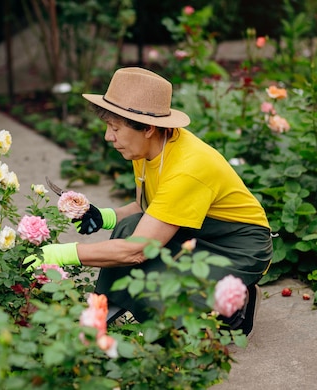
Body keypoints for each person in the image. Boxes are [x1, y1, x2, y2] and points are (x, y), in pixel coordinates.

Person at [28, 67, 273, 336]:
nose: (109, 137)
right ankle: (109, 309)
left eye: (115, 128)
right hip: (194, 229)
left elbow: (138, 250)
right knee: (128, 228)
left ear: (147, 128)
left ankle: (234, 311)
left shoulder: (188, 167)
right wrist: (104, 217)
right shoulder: (146, 150)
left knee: (156, 282)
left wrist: (57, 254)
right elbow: (148, 208)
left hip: (237, 247)